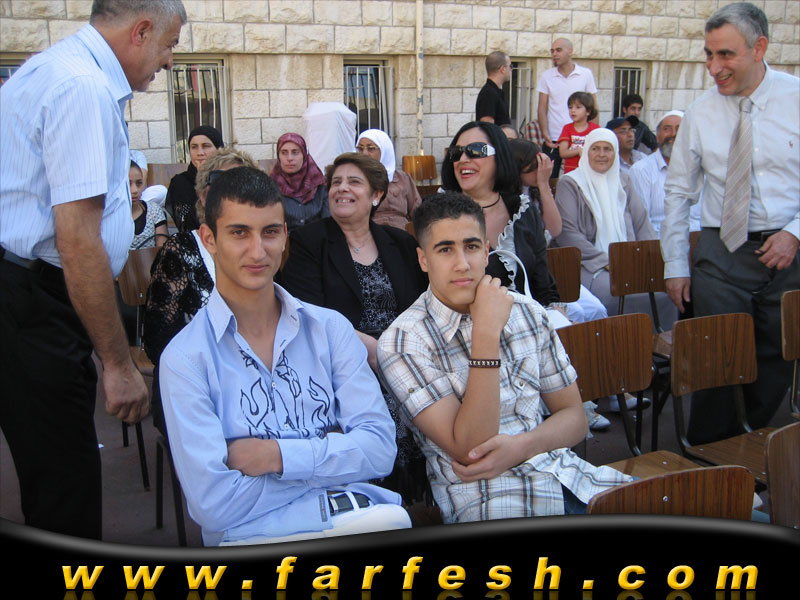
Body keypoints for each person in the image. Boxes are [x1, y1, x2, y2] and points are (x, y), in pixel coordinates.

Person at [0, 0, 186, 540]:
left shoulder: (52, 70)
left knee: (52, 472)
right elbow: (78, 240)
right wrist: (118, 364)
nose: (169, 61)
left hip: (29, 294)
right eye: (169, 45)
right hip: (36, 299)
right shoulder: (82, 87)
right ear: (141, 30)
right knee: (65, 486)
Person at [159, 166, 410, 546]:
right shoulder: (186, 359)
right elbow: (214, 504)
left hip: (356, 521)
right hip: (254, 540)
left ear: (285, 236)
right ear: (209, 239)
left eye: (270, 232)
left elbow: (379, 450)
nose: (258, 251)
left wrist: (275, 456)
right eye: (239, 233)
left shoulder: (330, 330)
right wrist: (333, 458)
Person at [377, 192, 633, 524]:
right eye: (445, 249)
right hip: (489, 498)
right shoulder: (403, 341)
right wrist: (486, 333)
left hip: (566, 476)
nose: (462, 263)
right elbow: (471, 446)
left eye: (471, 246)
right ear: (423, 260)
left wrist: (523, 446)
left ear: (487, 251)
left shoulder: (527, 311)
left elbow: (574, 418)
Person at [661, 2, 799, 444]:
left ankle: (745, 447)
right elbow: (678, 193)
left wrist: (794, 233)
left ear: (759, 48)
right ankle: (703, 453)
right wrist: (675, 266)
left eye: (725, 55)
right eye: (709, 54)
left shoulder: (796, 99)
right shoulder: (700, 113)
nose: (714, 67)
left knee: (775, 358)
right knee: (716, 357)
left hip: (787, 254)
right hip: (720, 252)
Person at [280, 152, 429, 503]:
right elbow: (307, 313)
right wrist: (377, 352)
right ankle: (379, 497)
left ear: (376, 195)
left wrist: (397, 353)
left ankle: (419, 498)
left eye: (354, 182)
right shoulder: (309, 242)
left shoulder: (400, 243)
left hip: (403, 357)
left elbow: (423, 306)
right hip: (341, 364)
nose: (342, 188)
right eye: (336, 183)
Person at [144, 146, 260, 436]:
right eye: (222, 183)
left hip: (255, 382)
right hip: (194, 386)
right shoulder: (180, 250)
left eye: (243, 182)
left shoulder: (261, 251)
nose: (234, 192)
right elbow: (158, 340)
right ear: (204, 196)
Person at [440, 121, 569, 329]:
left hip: (527, 325)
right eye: (456, 152)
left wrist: (554, 311)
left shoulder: (522, 210)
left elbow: (542, 282)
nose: (463, 159)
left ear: (500, 156)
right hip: (467, 329)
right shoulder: (440, 214)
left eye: (476, 150)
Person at [552, 129, 674, 325]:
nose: (601, 154)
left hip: (628, 262)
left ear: (615, 153)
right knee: (614, 294)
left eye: (607, 149)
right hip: (587, 264)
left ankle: (653, 342)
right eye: (595, 149)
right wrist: (608, 262)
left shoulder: (623, 181)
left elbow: (642, 224)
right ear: (586, 152)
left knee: (665, 292)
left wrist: (649, 260)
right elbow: (567, 234)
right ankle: (615, 342)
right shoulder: (571, 183)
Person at [629, 110, 701, 236]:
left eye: (679, 129)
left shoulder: (699, 168)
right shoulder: (641, 170)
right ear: (657, 137)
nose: (673, 134)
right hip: (658, 242)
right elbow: (642, 223)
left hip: (697, 241)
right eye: (667, 129)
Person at [536, 38, 598, 179]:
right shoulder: (547, 76)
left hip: (580, 138)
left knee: (581, 178)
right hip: (554, 138)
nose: (554, 54)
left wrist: (594, 134)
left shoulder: (585, 74)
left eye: (558, 50)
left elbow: (593, 107)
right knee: (549, 178)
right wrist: (545, 134)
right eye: (552, 51)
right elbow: (542, 108)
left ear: (570, 52)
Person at [355, 129, 422, 230]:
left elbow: (417, 211)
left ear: (384, 150)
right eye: (360, 148)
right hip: (370, 231)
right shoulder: (354, 179)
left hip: (402, 230)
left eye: (370, 148)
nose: (364, 153)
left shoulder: (402, 178)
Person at [166, 125, 224, 233]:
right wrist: (202, 178)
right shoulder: (180, 183)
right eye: (194, 147)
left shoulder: (229, 178)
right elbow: (189, 224)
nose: (200, 152)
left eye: (206, 146)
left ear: (218, 149)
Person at [270, 132, 330, 232]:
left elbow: (327, 223)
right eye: (284, 152)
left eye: (295, 152)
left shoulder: (319, 185)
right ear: (278, 156)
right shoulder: (270, 187)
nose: (290, 158)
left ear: (304, 155)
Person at [557, 91, 601, 175]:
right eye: (570, 107)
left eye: (578, 107)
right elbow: (563, 152)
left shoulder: (595, 129)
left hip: (590, 171)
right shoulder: (567, 128)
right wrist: (578, 151)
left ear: (588, 111)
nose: (573, 110)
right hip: (571, 172)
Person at [129, 160, 168, 249]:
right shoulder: (108, 216)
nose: (135, 190)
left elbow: (162, 250)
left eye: (139, 183)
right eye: (128, 184)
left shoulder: (154, 211)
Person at [475, 51, 512, 126]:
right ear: (502, 69)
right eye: (510, 66)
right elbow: (488, 127)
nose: (511, 69)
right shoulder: (488, 94)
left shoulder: (495, 92)